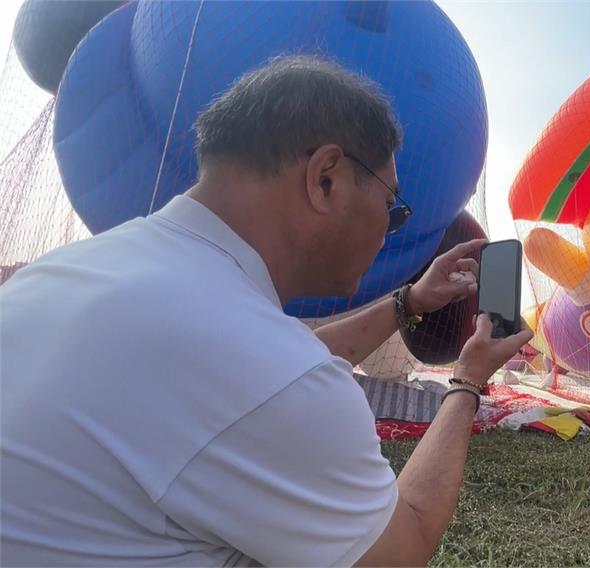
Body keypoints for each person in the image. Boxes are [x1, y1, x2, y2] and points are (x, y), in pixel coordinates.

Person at [0, 55, 531, 566]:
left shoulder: (67, 272)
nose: (387, 229)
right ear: (326, 178)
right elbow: (399, 547)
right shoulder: (260, 370)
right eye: (390, 206)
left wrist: (408, 302)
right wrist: (468, 381)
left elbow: (272, 372)